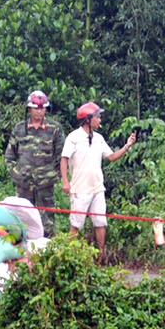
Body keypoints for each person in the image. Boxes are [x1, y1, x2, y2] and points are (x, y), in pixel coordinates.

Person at [60, 102, 138, 263]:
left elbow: (111, 157)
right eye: (97, 117)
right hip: (80, 188)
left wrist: (127, 146)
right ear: (88, 119)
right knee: (76, 224)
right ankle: (69, 258)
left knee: (100, 222)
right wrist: (65, 181)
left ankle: (101, 256)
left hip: (97, 188)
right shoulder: (73, 137)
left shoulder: (99, 138)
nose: (100, 120)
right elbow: (64, 159)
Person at [3, 90, 65, 231]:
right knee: (22, 217)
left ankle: (49, 243)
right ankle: (24, 243)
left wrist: (54, 176)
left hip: (46, 183)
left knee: (48, 219)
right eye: (36, 108)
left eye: (42, 108)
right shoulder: (19, 128)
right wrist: (17, 174)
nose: (39, 111)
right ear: (29, 109)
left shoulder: (54, 129)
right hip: (23, 183)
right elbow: (9, 156)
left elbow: (61, 156)